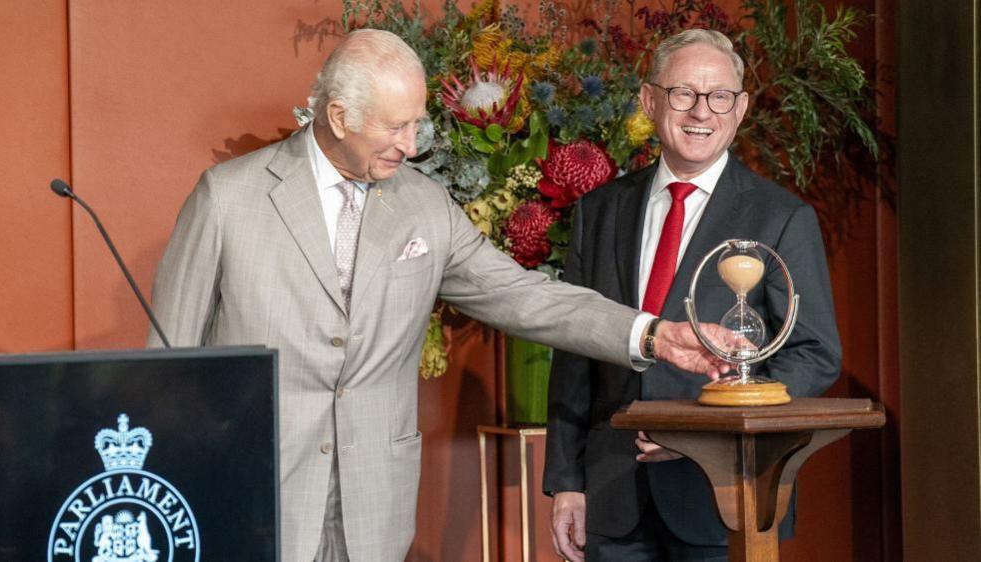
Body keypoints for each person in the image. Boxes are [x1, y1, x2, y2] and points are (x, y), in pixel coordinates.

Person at [147, 29, 731, 562]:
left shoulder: (424, 205)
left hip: (374, 508)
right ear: (338, 116)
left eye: (416, 125)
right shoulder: (228, 199)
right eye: (395, 127)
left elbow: (526, 296)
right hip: (252, 499)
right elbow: (167, 368)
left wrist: (652, 334)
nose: (411, 145)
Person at [543, 29, 842, 562]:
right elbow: (573, 350)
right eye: (683, 93)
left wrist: (706, 432)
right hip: (613, 498)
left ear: (741, 108)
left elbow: (815, 354)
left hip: (723, 499)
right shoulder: (600, 210)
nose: (701, 111)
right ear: (650, 100)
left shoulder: (781, 217)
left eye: (719, 96)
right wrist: (566, 481)